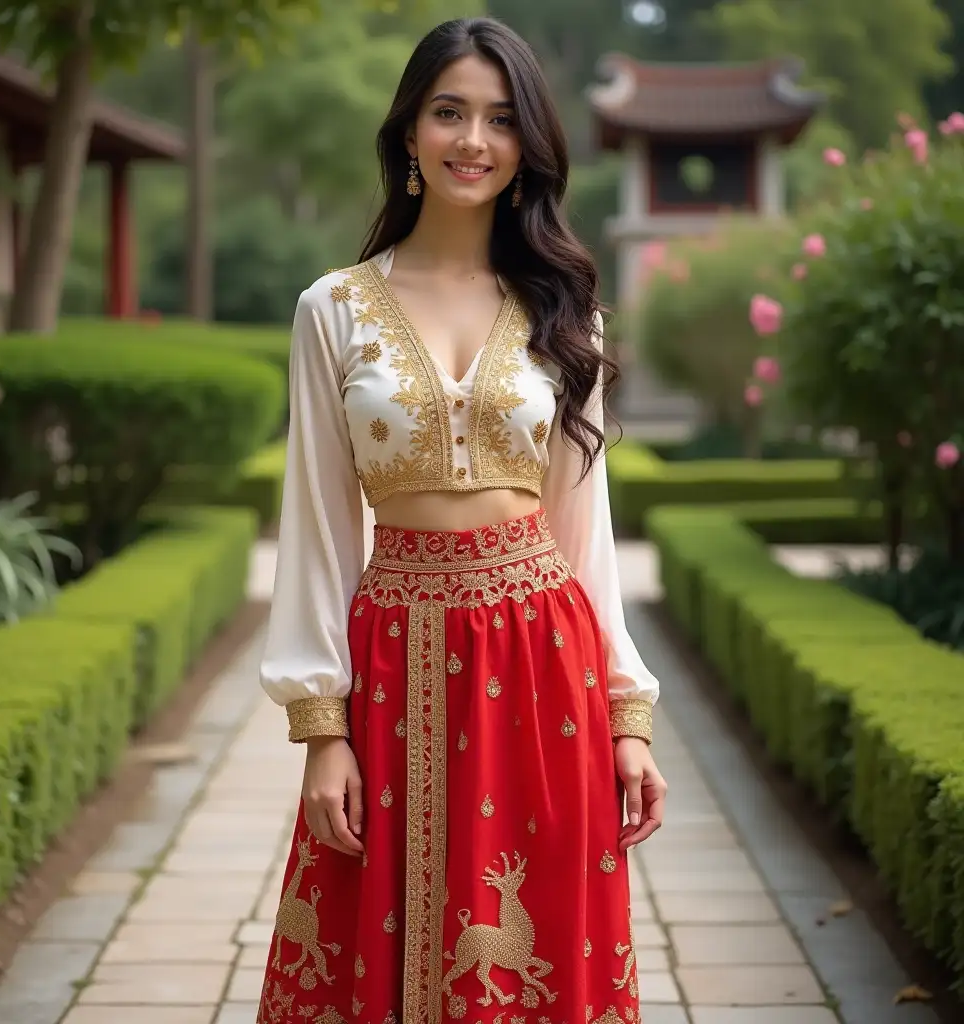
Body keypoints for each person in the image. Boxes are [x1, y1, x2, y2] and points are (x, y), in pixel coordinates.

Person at [256, 16, 667, 1024]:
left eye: (498, 118)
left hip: (540, 665)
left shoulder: (564, 310)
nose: (472, 141)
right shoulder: (333, 309)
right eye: (449, 113)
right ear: (408, 134)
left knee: (536, 949)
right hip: (389, 654)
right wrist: (322, 728)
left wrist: (627, 717)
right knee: (373, 942)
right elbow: (315, 521)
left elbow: (585, 526)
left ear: (527, 145)